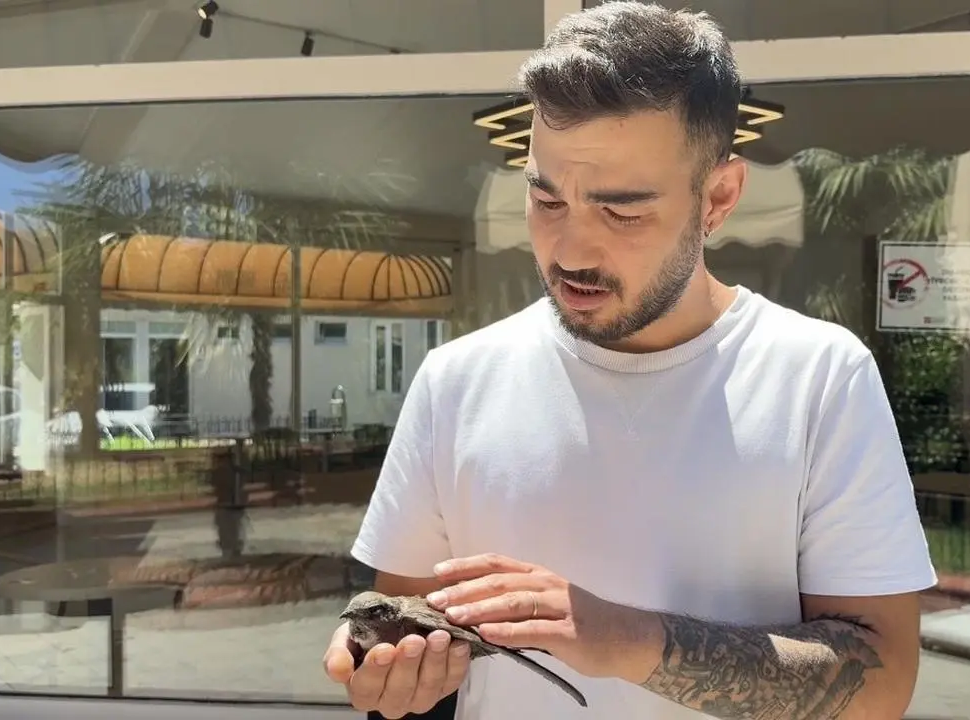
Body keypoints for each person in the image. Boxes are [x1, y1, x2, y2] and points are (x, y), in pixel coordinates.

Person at [322, 2, 935, 718]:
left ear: (718, 198)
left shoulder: (820, 377)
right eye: (547, 200)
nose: (571, 250)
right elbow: (405, 624)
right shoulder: (456, 380)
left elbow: (883, 682)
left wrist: (627, 641)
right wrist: (393, 673)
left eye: (623, 211)